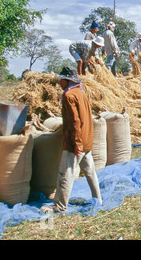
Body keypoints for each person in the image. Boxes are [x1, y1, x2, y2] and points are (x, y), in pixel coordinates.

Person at [42, 66, 102, 213]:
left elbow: (74, 122)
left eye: (61, 80)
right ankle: (98, 199)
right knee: (90, 172)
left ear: (66, 81)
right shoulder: (81, 93)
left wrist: (76, 144)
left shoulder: (69, 96)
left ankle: (60, 206)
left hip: (75, 142)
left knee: (65, 173)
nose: (60, 83)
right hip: (86, 139)